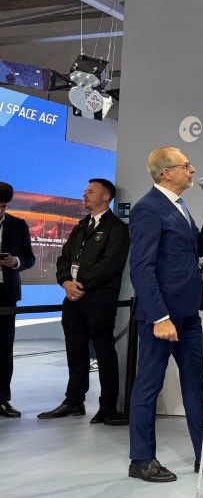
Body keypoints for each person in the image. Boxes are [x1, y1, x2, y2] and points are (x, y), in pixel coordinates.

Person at [127, 147, 203, 482]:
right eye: (186, 166)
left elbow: (194, 251)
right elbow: (141, 269)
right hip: (162, 317)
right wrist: (159, 317)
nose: (192, 170)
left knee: (199, 383)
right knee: (148, 387)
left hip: (187, 315)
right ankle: (141, 459)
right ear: (167, 173)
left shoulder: (178, 206)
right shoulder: (148, 210)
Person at [39, 178, 129, 424]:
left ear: (105, 197)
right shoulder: (80, 227)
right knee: (75, 350)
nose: (84, 195)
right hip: (73, 299)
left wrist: (81, 286)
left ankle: (108, 406)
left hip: (100, 299)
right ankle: (73, 401)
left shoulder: (117, 229)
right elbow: (63, 260)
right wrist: (66, 283)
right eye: (85, 191)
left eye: (91, 192)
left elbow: (110, 265)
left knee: (103, 351)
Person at [0, 181, 36, 418]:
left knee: (3, 350)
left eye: (3, 206)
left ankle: (2, 399)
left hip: (6, 294)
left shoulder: (17, 225)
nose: (0, 210)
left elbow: (29, 258)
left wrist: (15, 262)